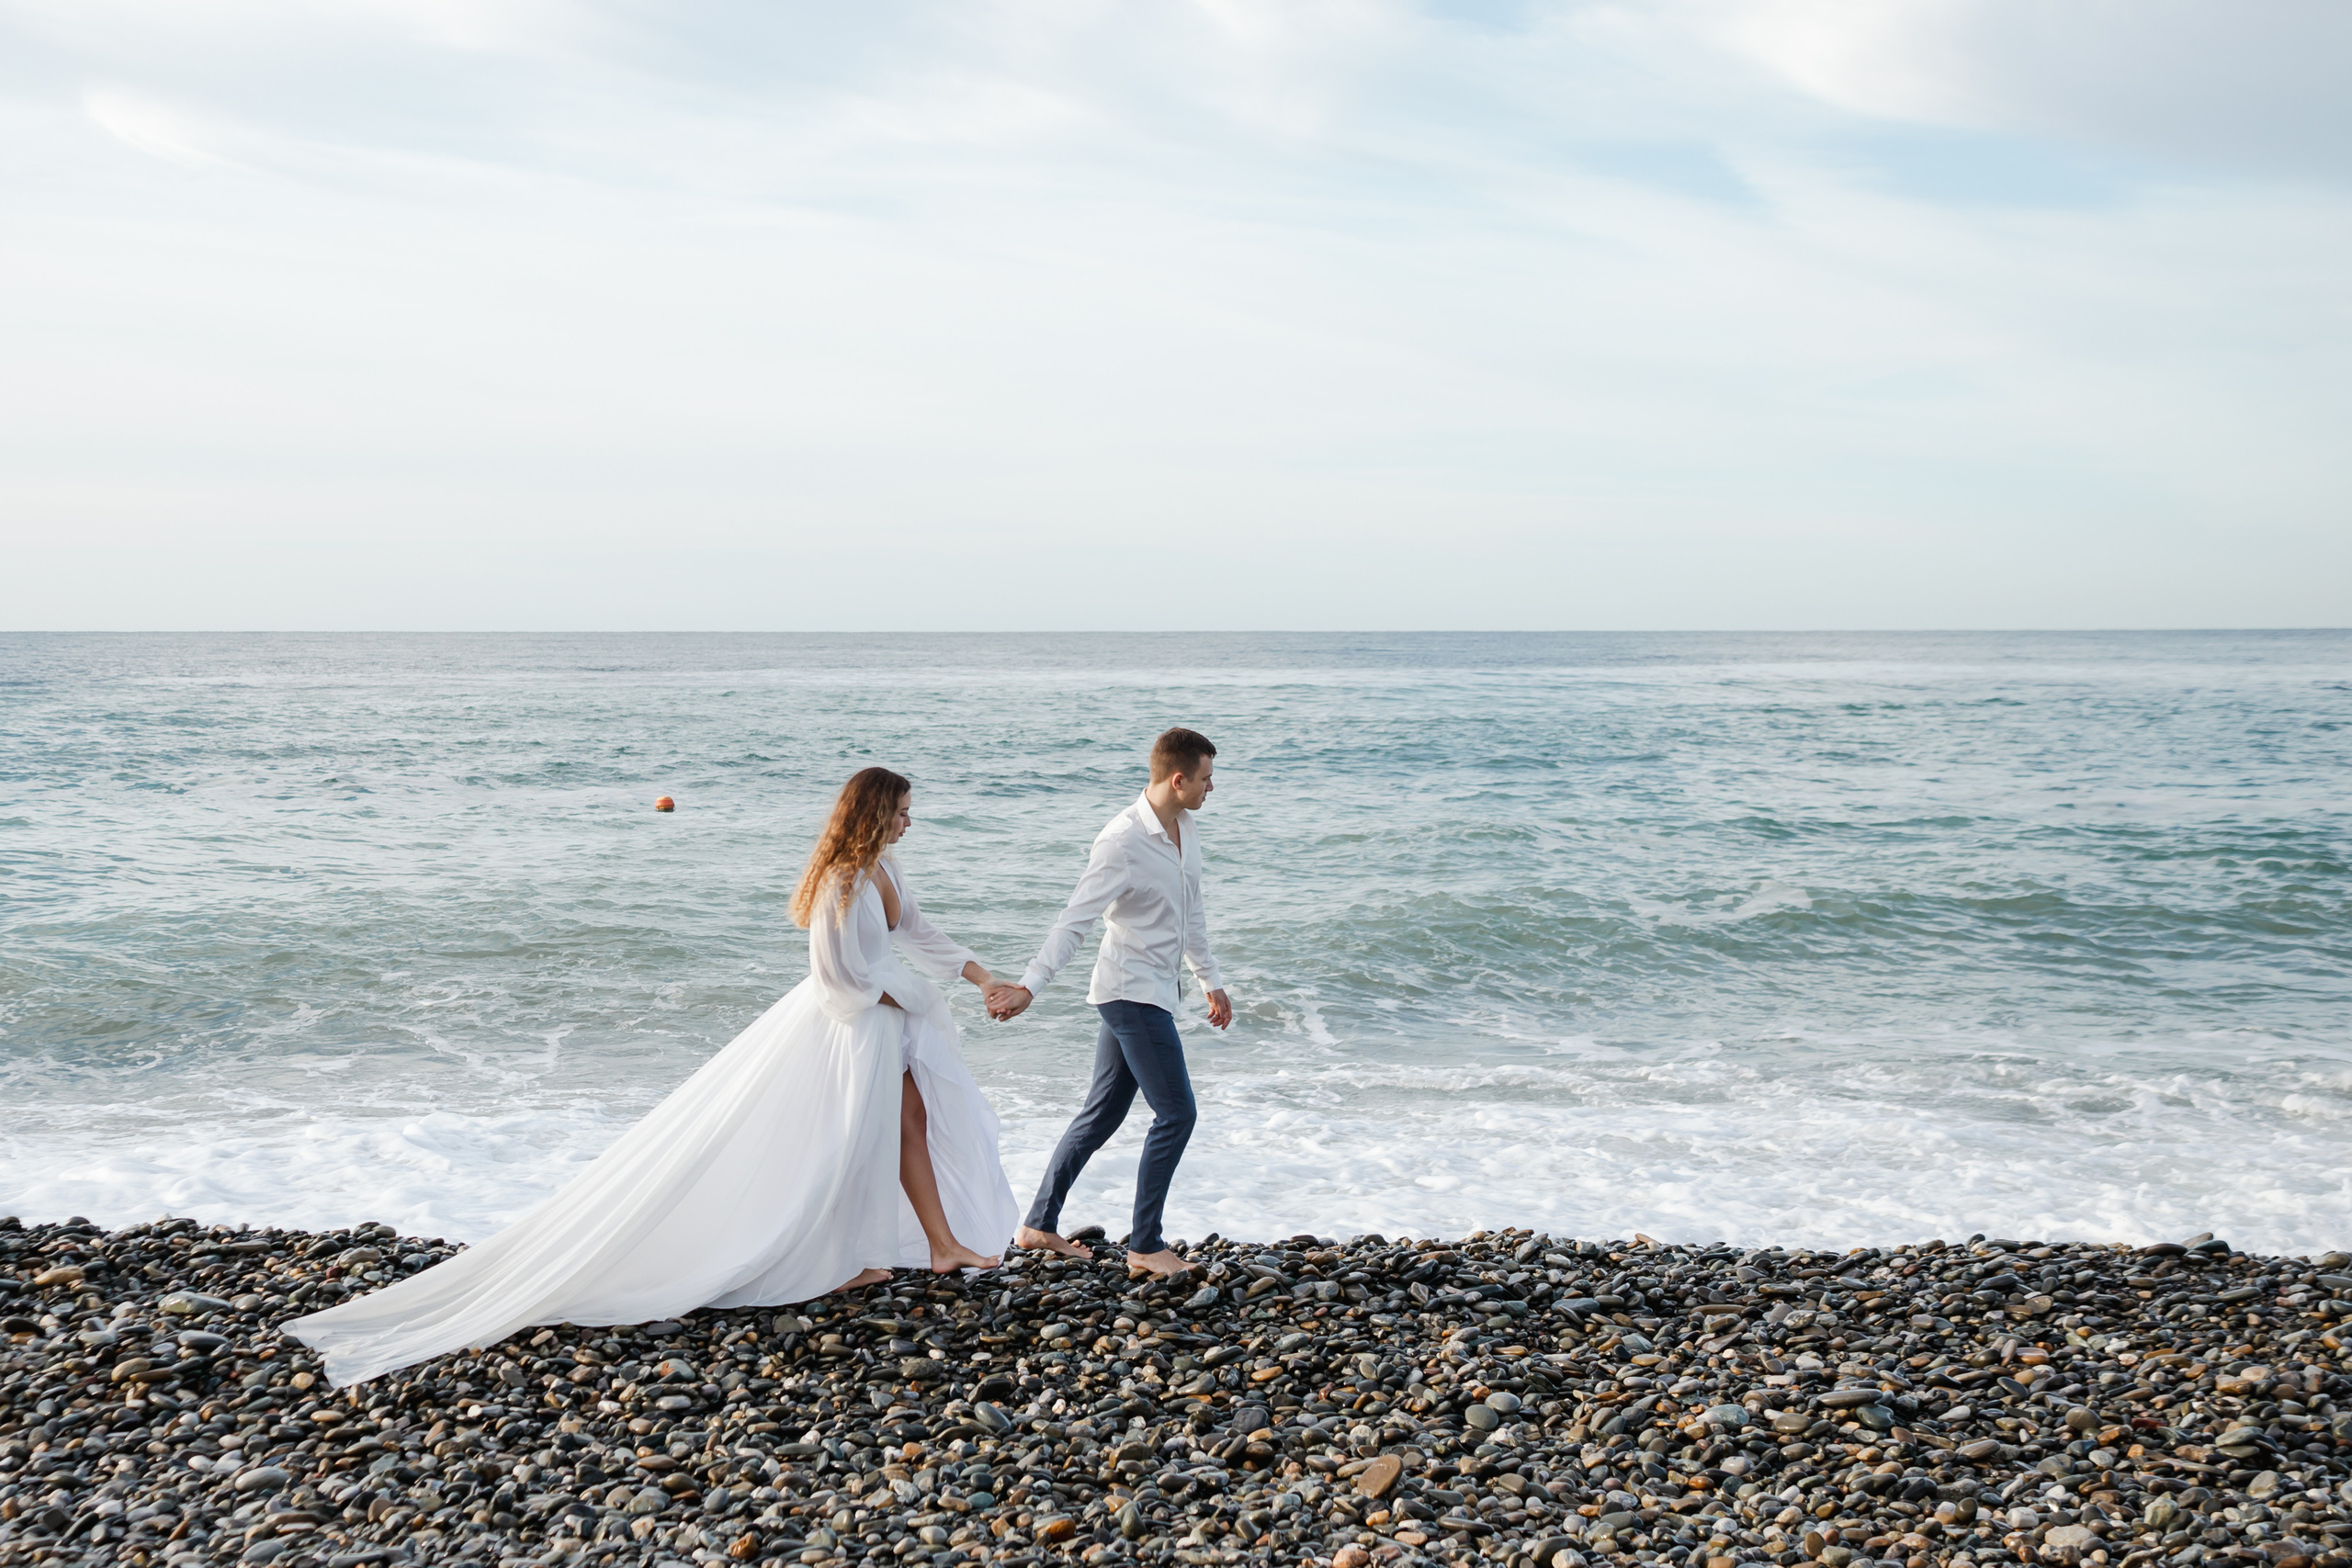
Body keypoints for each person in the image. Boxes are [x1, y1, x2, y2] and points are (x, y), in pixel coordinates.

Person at [288, 767, 1019, 1386]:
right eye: (899, 812)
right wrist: (898, 993)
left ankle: (939, 1243)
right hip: (847, 1032)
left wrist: (981, 977)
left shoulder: (887, 871)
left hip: (886, 1025)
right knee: (844, 1142)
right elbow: (835, 979)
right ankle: (844, 1254)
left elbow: (921, 935)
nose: (909, 823)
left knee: (911, 1125)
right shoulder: (838, 881)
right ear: (871, 814)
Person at [985, 728, 1233, 1280]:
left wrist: (1208, 980)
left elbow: (1190, 912)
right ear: (1178, 779)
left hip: (1155, 991)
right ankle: (1146, 1245)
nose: (1211, 787)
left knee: (1102, 1113)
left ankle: (1037, 1225)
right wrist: (1030, 985)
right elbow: (1073, 920)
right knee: (1177, 1113)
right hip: (1129, 992)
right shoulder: (1120, 841)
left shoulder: (1184, 829)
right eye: (1206, 777)